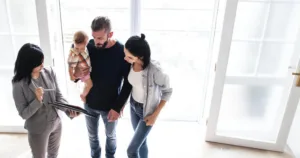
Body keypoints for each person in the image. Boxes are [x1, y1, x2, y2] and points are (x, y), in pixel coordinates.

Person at [12, 43, 79, 158]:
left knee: (53, 155)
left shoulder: (49, 72)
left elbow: (58, 96)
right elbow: (23, 114)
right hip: (38, 129)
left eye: (42, 61)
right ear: (28, 65)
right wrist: (38, 100)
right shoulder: (19, 84)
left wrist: (68, 109)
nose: (42, 65)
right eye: (39, 64)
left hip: (56, 123)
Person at [84, 16, 132, 158]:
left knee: (110, 136)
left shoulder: (122, 52)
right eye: (94, 37)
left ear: (110, 34)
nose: (95, 42)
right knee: (92, 136)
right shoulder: (89, 47)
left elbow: (128, 83)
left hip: (111, 106)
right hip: (90, 103)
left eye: (99, 38)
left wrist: (117, 107)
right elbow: (78, 67)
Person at [124, 34, 173, 158]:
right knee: (142, 143)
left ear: (140, 56)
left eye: (129, 56)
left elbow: (167, 91)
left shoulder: (155, 71)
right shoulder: (130, 64)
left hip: (147, 112)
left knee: (131, 150)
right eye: (125, 54)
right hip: (133, 107)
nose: (125, 58)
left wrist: (154, 116)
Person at [68, 31, 93, 103]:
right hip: (83, 72)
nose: (79, 50)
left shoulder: (85, 47)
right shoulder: (73, 53)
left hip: (85, 70)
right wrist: (71, 76)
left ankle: (83, 93)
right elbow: (70, 66)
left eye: (82, 48)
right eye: (77, 48)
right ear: (74, 43)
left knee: (86, 84)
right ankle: (83, 95)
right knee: (89, 84)